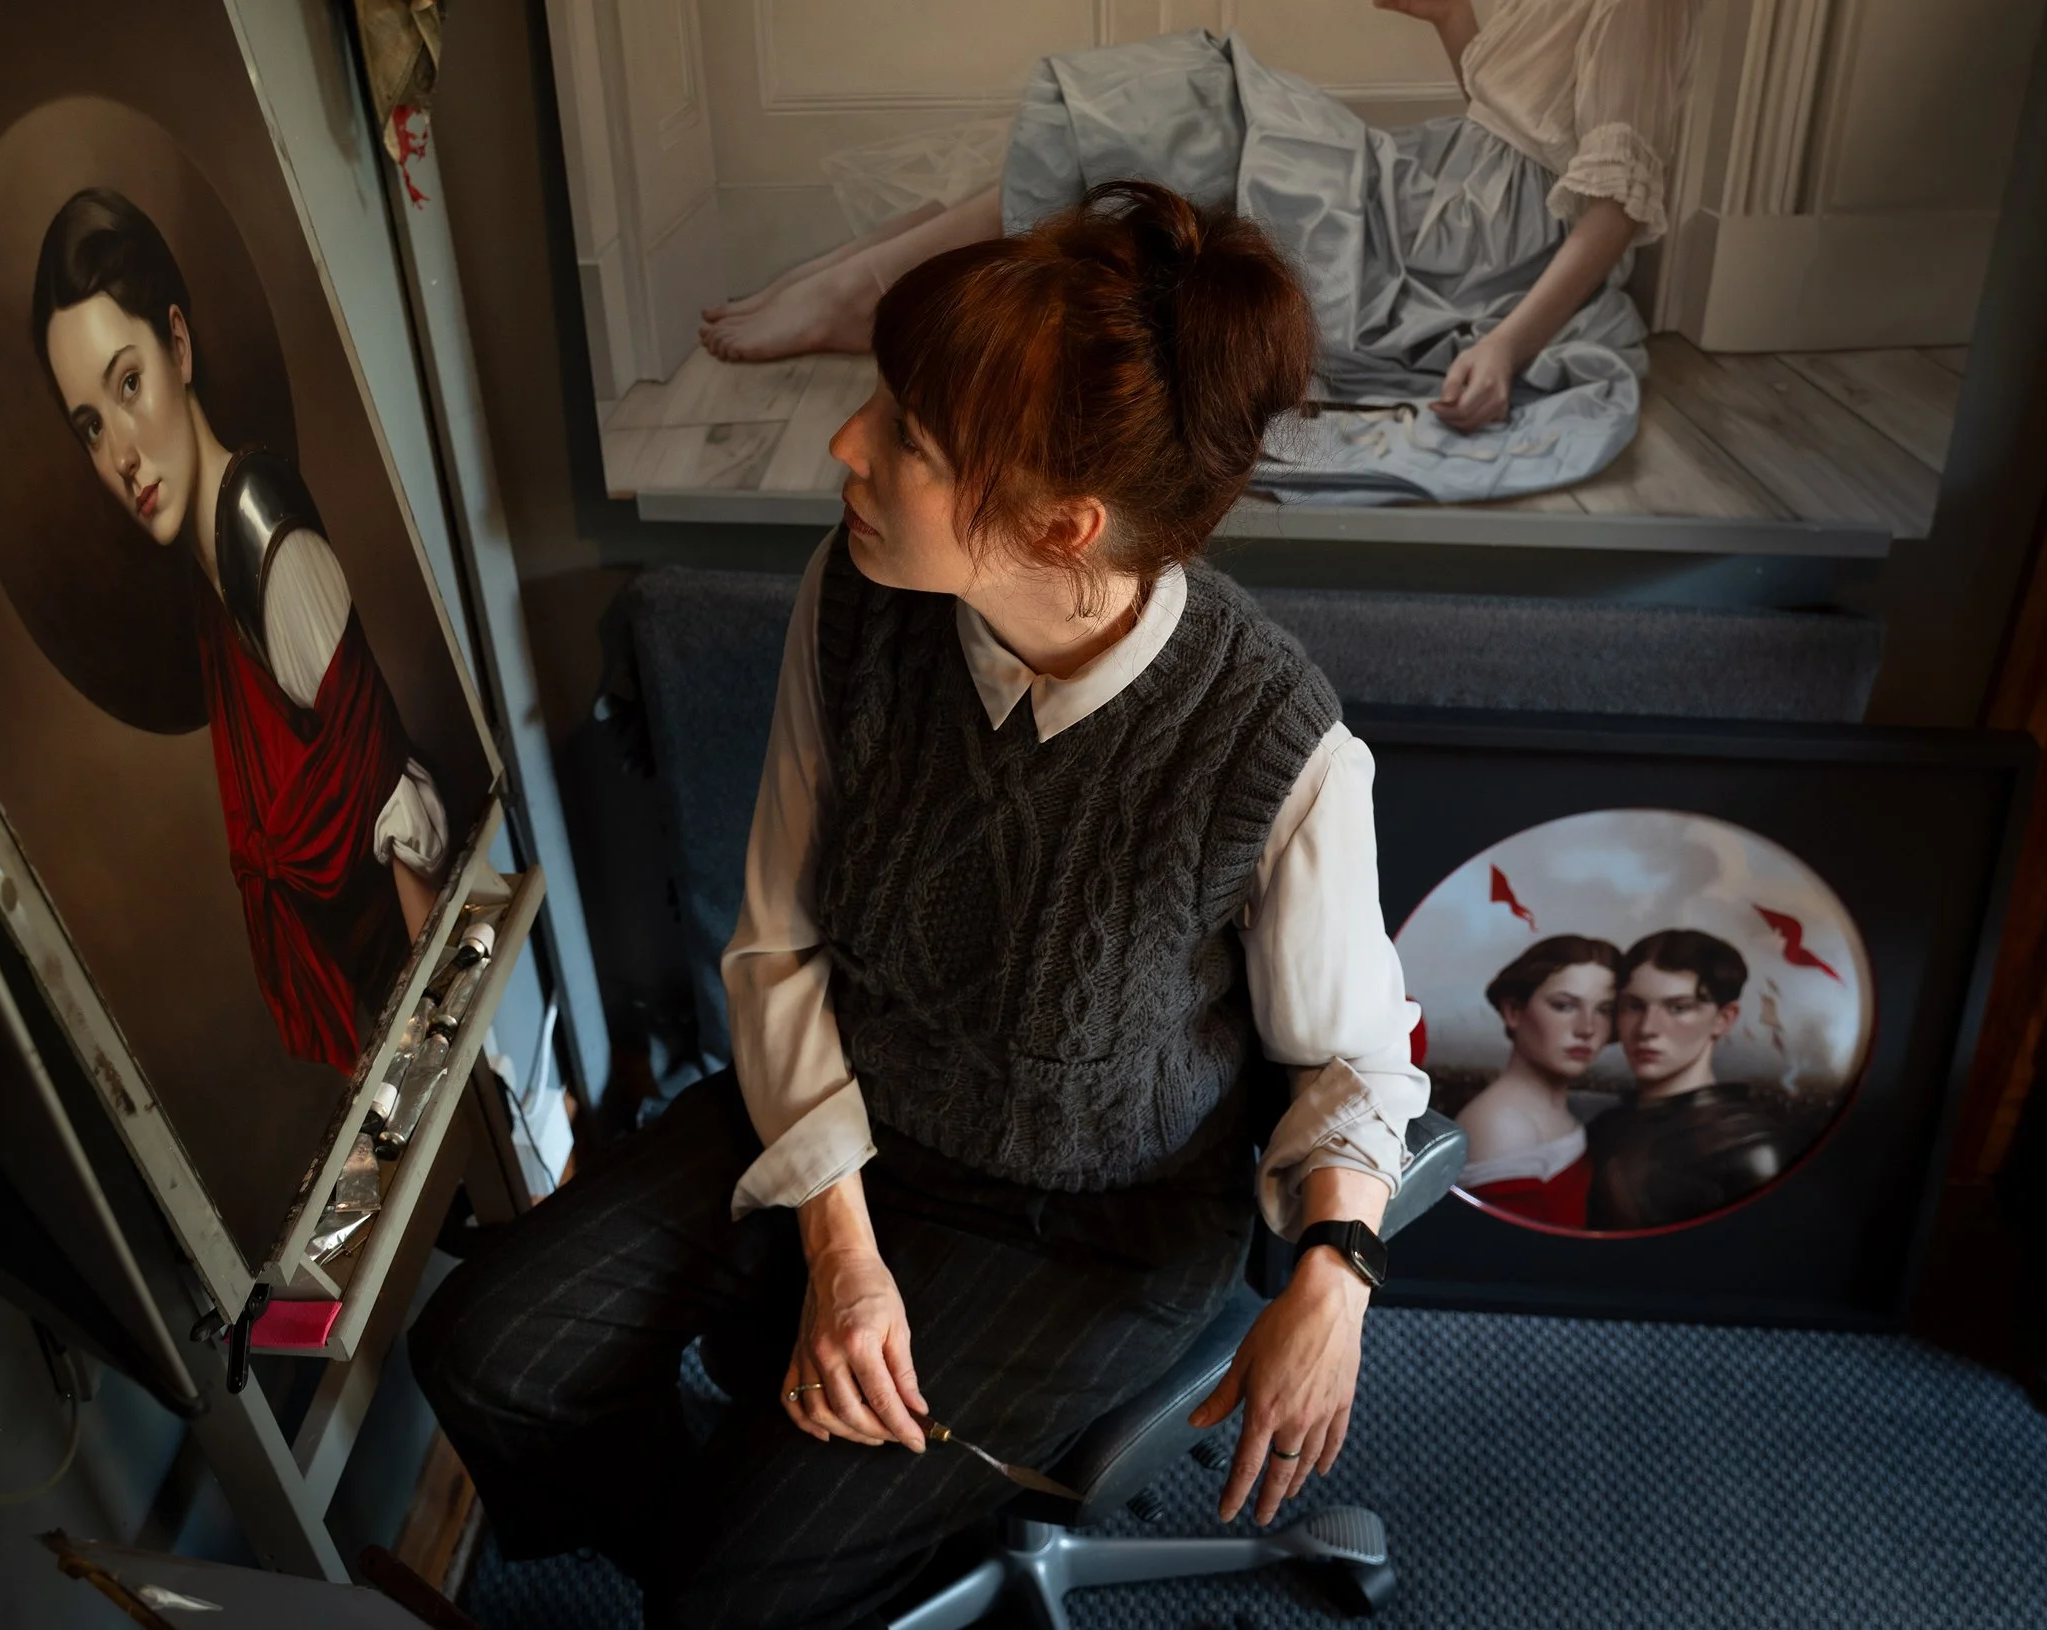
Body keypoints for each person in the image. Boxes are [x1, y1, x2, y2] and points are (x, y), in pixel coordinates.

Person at [410, 181, 1430, 1629]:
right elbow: (774, 938)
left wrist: (1336, 1278)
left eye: (907, 439)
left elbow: (1352, 1057)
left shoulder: (1277, 747)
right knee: (485, 1350)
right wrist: (841, 1244)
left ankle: (749, 1566)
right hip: (852, 1112)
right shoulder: (859, 599)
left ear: (1062, 522)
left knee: (728, 1592)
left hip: (1088, 1225)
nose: (846, 447)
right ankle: (734, 1544)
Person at [700, 0, 1700, 436]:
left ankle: (862, 293)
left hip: (1452, 244)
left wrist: (1510, 350)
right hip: (1432, 183)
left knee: (1195, 114)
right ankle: (866, 275)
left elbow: (1611, 202)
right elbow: (1514, 121)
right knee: (1178, 103)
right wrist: (1451, 20)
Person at [32, 188, 449, 1075]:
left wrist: (431, 1072)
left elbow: (388, 794)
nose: (123, 456)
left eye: (129, 383)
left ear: (178, 345)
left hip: (422, 1016)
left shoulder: (264, 539)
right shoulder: (204, 578)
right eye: (91, 428)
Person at [1585, 928, 1796, 1231]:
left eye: (1678, 1008)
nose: (1647, 1028)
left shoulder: (1749, 1150)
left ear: (1723, 1019)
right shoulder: (1605, 1127)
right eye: (1634, 1006)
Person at [1454, 934, 1618, 1228]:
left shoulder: (1558, 1111)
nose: (1587, 1028)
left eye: (1604, 1010)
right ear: (1513, 1012)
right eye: (1564, 1005)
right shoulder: (1500, 1125)